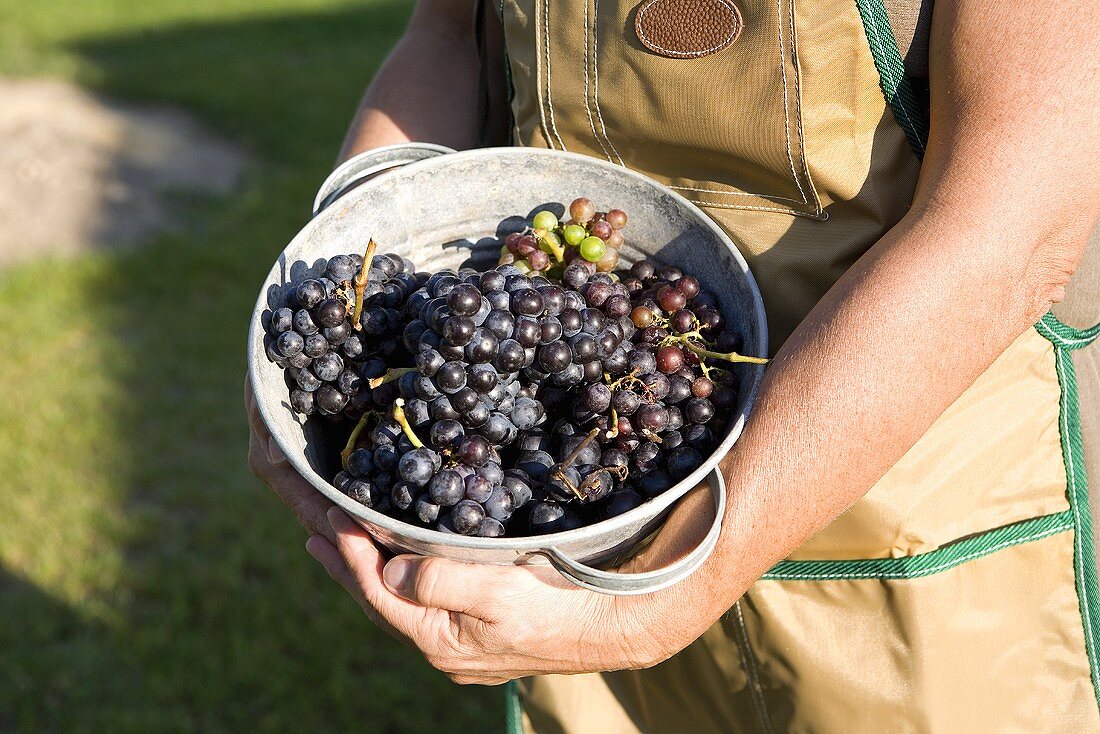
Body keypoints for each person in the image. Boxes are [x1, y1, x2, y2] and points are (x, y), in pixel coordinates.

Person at [247, 0, 1100, 729]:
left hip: (907, 544)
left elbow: (1009, 227)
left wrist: (680, 589)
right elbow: (445, 38)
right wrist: (328, 325)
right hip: (580, 529)